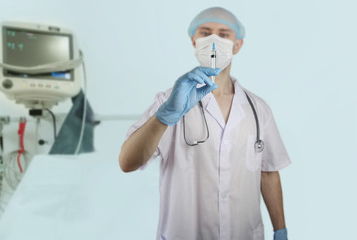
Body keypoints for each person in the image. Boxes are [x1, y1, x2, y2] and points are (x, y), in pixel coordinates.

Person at [119, 7, 291, 240]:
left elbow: (268, 172)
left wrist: (280, 229)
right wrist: (165, 115)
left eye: (223, 35)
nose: (213, 40)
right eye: (205, 32)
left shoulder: (257, 108)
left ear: (237, 45)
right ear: (194, 40)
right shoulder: (168, 101)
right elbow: (127, 162)